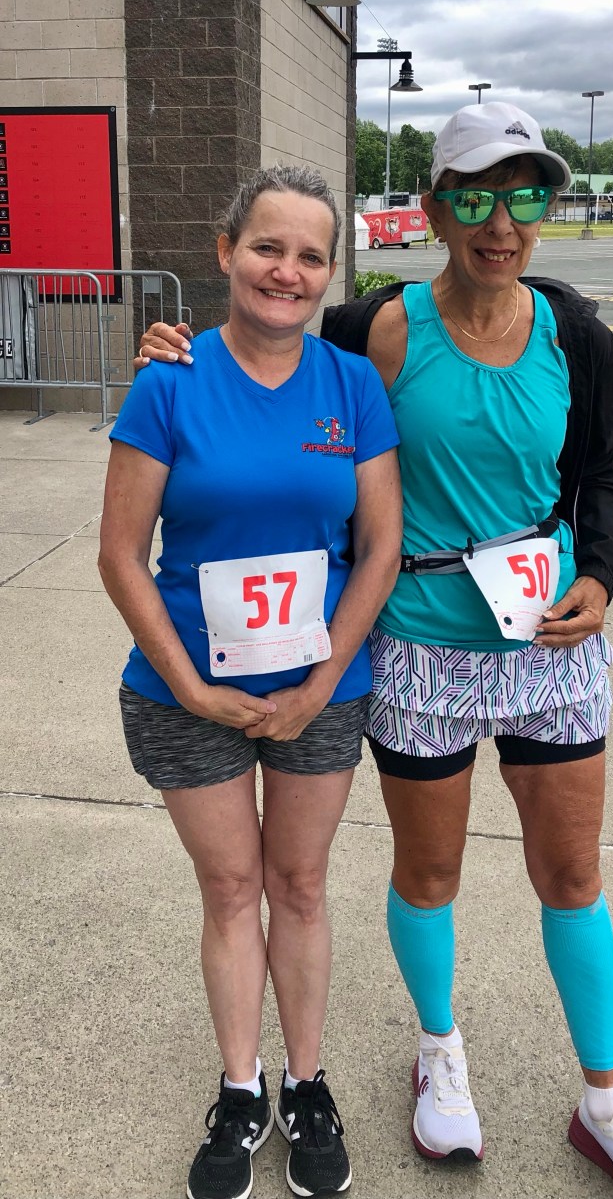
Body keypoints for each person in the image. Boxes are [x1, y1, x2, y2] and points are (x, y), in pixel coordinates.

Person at [138, 102, 613, 1199]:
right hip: (420, 645)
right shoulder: (380, 331)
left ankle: (607, 1102)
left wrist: (600, 574)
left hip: (546, 639)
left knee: (571, 872)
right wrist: (179, 351)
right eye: (477, 197)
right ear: (436, 210)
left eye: (526, 195)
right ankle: (439, 1055)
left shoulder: (575, 334)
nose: (502, 222)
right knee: (430, 871)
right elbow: (271, 348)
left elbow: (599, 475)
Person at [100, 164, 402, 1199]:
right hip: (186, 693)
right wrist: (189, 687)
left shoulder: (351, 386)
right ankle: (241, 1089)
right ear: (227, 252)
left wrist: (322, 681)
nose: (287, 271)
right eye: (267, 247)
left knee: (300, 887)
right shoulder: (169, 381)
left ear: (329, 273)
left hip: (320, 690)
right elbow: (119, 553)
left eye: (310, 256)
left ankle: (307, 1082)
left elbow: (380, 547)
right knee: (230, 890)